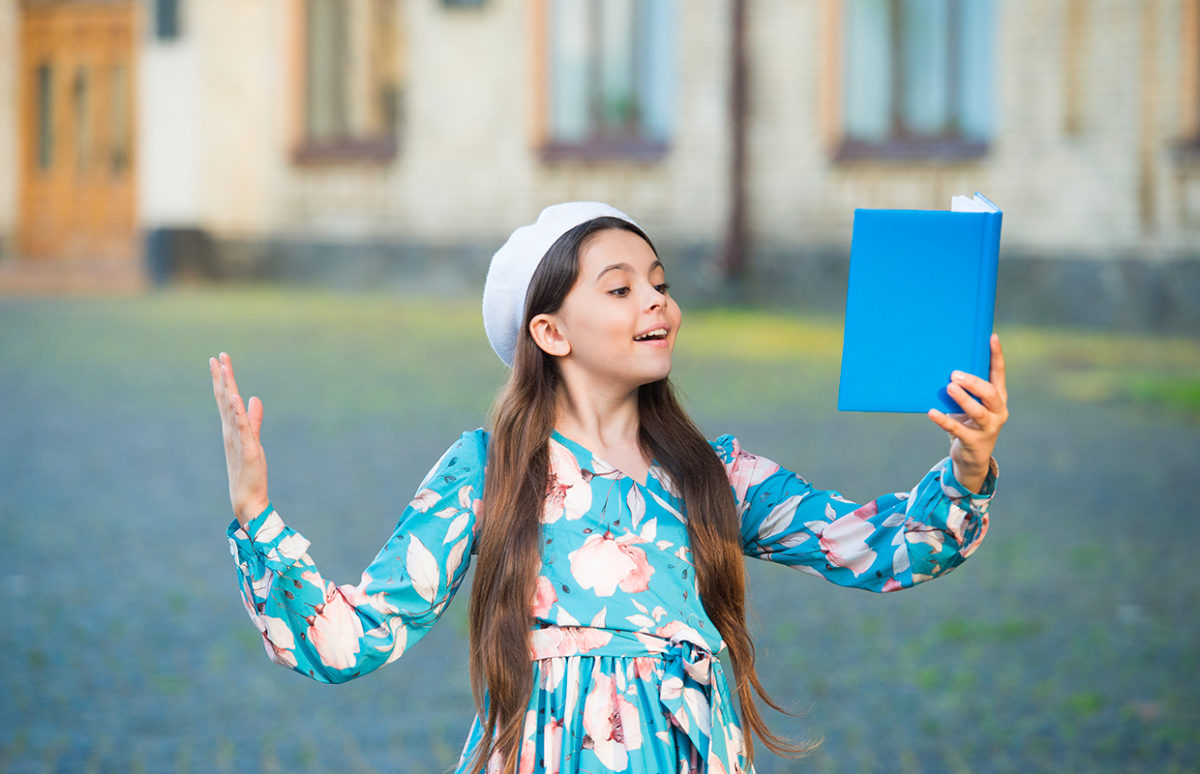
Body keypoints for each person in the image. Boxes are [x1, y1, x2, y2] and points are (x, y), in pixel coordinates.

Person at [210, 202, 1007, 774]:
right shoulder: (487, 473)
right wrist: (256, 516)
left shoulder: (713, 474)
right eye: (620, 288)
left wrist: (967, 468)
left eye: (658, 284)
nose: (657, 301)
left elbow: (882, 548)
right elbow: (349, 638)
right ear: (549, 332)